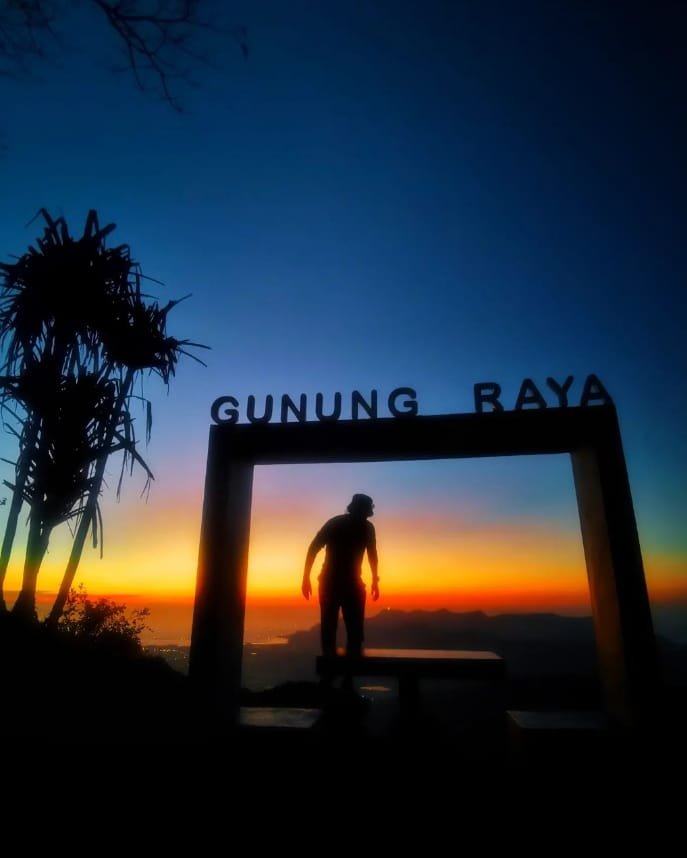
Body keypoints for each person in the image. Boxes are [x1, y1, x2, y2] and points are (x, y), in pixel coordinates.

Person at [301, 494, 379, 667]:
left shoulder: (338, 523)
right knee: (351, 629)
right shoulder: (362, 527)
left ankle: (337, 676)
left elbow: (313, 548)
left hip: (337, 583)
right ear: (363, 509)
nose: (369, 512)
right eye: (368, 508)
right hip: (338, 583)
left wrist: (375, 580)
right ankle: (343, 678)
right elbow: (372, 554)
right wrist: (374, 580)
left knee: (335, 628)